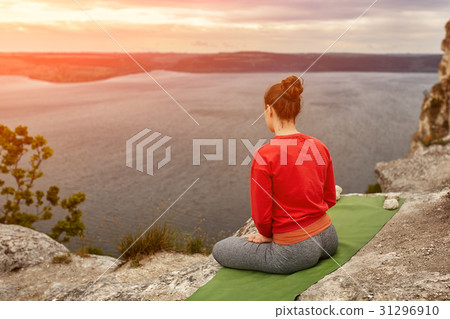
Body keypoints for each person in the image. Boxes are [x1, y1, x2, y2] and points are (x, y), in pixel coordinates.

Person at [212, 75, 338, 274]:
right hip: (329, 238)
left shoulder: (265, 155)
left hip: (295, 251)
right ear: (296, 109)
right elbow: (330, 198)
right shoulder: (318, 146)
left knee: (220, 249)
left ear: (269, 110)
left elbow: (261, 218)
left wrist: (267, 235)